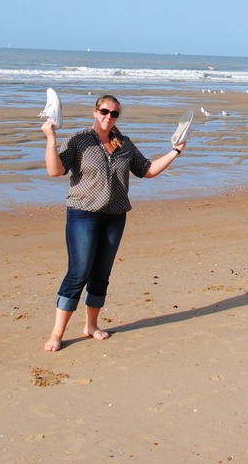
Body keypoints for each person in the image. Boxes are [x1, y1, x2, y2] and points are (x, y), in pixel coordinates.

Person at [41, 94, 185, 351]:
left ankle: (91, 326)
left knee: (101, 273)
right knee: (78, 272)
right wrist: (51, 138)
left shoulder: (124, 144)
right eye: (104, 111)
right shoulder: (79, 140)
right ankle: (57, 333)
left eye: (114, 113)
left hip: (115, 216)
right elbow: (55, 170)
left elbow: (147, 170)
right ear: (95, 112)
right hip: (83, 213)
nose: (108, 117)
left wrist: (175, 151)